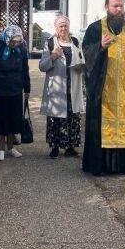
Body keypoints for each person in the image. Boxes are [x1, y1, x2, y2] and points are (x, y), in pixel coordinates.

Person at [81, 0, 125, 175]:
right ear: (107, 7)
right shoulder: (95, 29)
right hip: (103, 91)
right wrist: (100, 47)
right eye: (115, 6)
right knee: (100, 127)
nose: (119, 10)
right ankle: (99, 166)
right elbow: (86, 54)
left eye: (121, 6)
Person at [39, 16, 85, 159]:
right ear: (56, 28)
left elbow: (82, 59)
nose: (63, 29)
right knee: (56, 118)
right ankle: (55, 147)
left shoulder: (76, 41)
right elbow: (42, 66)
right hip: (57, 88)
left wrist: (81, 67)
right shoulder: (51, 43)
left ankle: (70, 147)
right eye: (60, 26)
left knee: (72, 117)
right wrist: (53, 56)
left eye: (65, 26)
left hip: (73, 85)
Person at [0, 25, 30, 162]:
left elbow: (25, 70)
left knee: (13, 120)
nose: (14, 44)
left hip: (15, 89)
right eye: (12, 41)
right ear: (7, 38)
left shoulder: (21, 47)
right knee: (0, 121)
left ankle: (11, 148)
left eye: (17, 42)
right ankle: (1, 149)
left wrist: (27, 89)